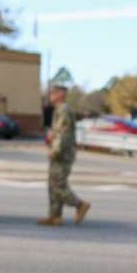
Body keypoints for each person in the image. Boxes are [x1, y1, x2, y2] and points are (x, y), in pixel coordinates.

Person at [38, 83, 91, 226]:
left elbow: (64, 134)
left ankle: (80, 205)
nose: (50, 96)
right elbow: (57, 131)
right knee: (53, 184)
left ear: (60, 94)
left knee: (58, 185)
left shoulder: (64, 110)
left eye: (53, 93)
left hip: (62, 154)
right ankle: (55, 216)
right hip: (60, 152)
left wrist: (55, 150)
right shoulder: (59, 110)